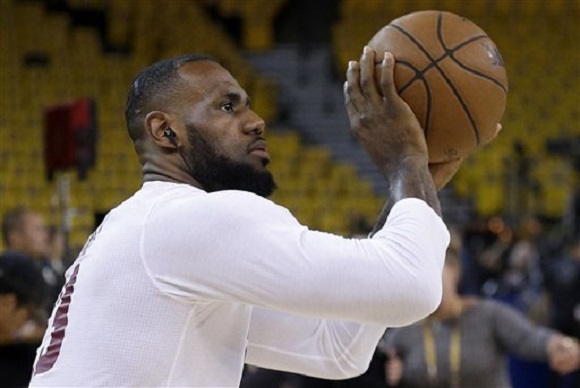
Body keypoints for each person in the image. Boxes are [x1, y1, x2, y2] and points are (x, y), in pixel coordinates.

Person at [29, 48, 462, 386]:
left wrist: (416, 181)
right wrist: (406, 158)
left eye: (248, 105)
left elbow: (334, 349)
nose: (256, 121)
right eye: (227, 106)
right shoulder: (192, 220)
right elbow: (413, 289)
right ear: (166, 131)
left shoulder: (153, 228)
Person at [381, 228, 580, 388]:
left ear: (455, 271)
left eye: (434, 272)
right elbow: (381, 366)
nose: (427, 283)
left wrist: (559, 345)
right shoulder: (403, 328)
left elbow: (529, 337)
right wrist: (389, 375)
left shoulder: (487, 314)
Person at [0, 207, 60, 387]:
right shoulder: (7, 273)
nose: (45, 236)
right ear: (15, 237)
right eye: (37, 229)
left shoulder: (49, 272)